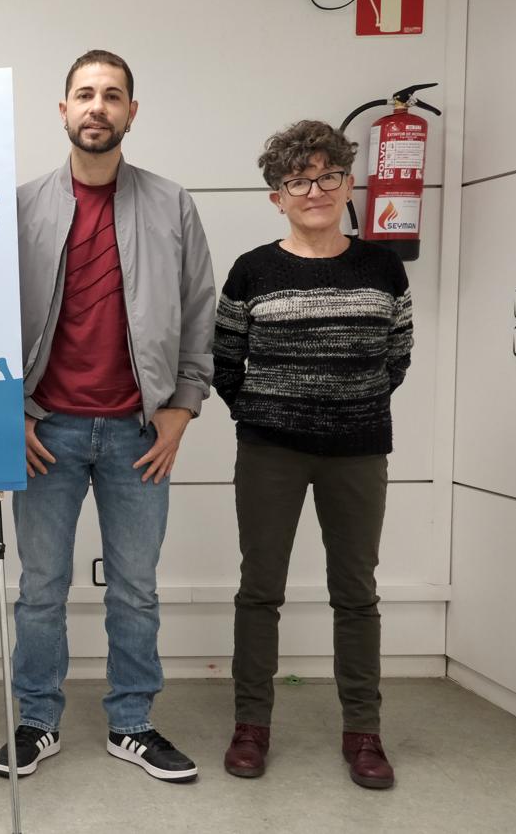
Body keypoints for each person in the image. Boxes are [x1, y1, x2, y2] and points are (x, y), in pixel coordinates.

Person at [0, 50, 215, 782]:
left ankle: (132, 723)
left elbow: (199, 311)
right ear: (63, 109)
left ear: (131, 112)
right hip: (46, 430)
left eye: (112, 95)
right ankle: (36, 720)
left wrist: (182, 408)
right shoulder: (20, 206)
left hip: (139, 432)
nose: (98, 106)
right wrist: (11, 411)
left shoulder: (171, 204)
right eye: (85, 94)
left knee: (135, 589)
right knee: (40, 589)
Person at [213, 120, 412, 790]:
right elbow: (226, 360)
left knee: (355, 594)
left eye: (328, 176)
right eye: (298, 181)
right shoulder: (253, 270)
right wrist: (268, 413)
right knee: (259, 591)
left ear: (348, 184)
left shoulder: (382, 267)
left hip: (358, 452)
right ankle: (250, 726)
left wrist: (346, 408)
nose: (315, 190)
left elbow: (397, 355)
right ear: (278, 197)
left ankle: (364, 733)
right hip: (269, 452)